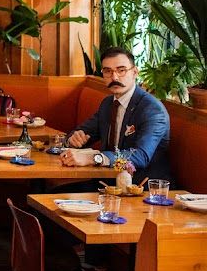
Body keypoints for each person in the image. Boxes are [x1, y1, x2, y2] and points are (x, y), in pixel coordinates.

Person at [60, 46, 171, 180]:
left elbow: (141, 156)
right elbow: (82, 132)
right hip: (108, 183)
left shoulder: (152, 109)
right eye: (108, 71)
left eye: (121, 70)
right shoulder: (108, 104)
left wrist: (96, 158)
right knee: (50, 195)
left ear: (135, 72)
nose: (114, 77)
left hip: (143, 188)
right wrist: (73, 140)